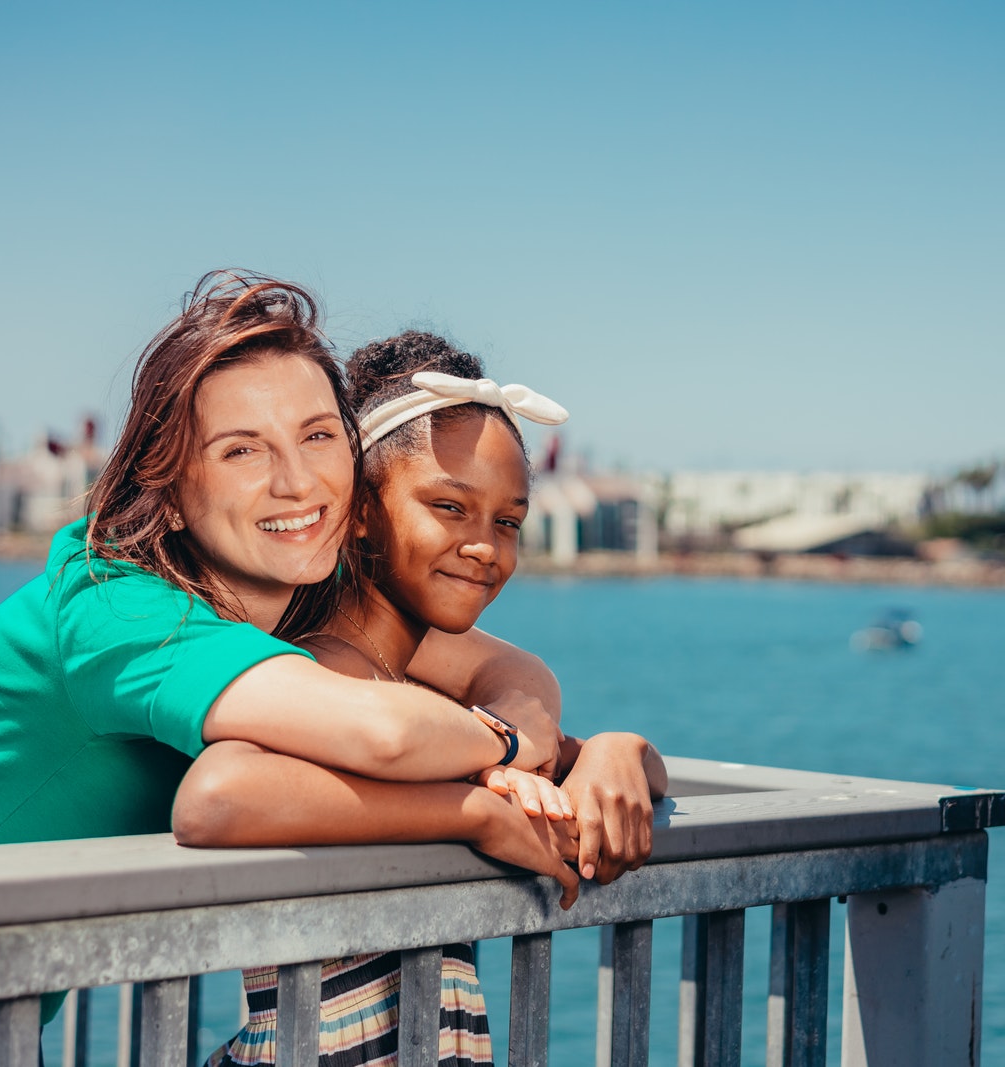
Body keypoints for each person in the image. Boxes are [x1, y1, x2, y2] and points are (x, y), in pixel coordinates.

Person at [0, 274, 575, 1067]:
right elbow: (386, 730)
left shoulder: (286, 592)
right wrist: (485, 787)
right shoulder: (119, 605)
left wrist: (595, 750)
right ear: (171, 490)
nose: (298, 480)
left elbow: (494, 661)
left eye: (319, 436)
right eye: (243, 450)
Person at [182, 331, 667, 1067]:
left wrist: (613, 751)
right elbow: (216, 795)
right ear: (362, 511)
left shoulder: (415, 696)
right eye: (450, 506)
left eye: (508, 521)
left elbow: (609, 766)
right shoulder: (321, 680)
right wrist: (471, 813)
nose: (485, 546)